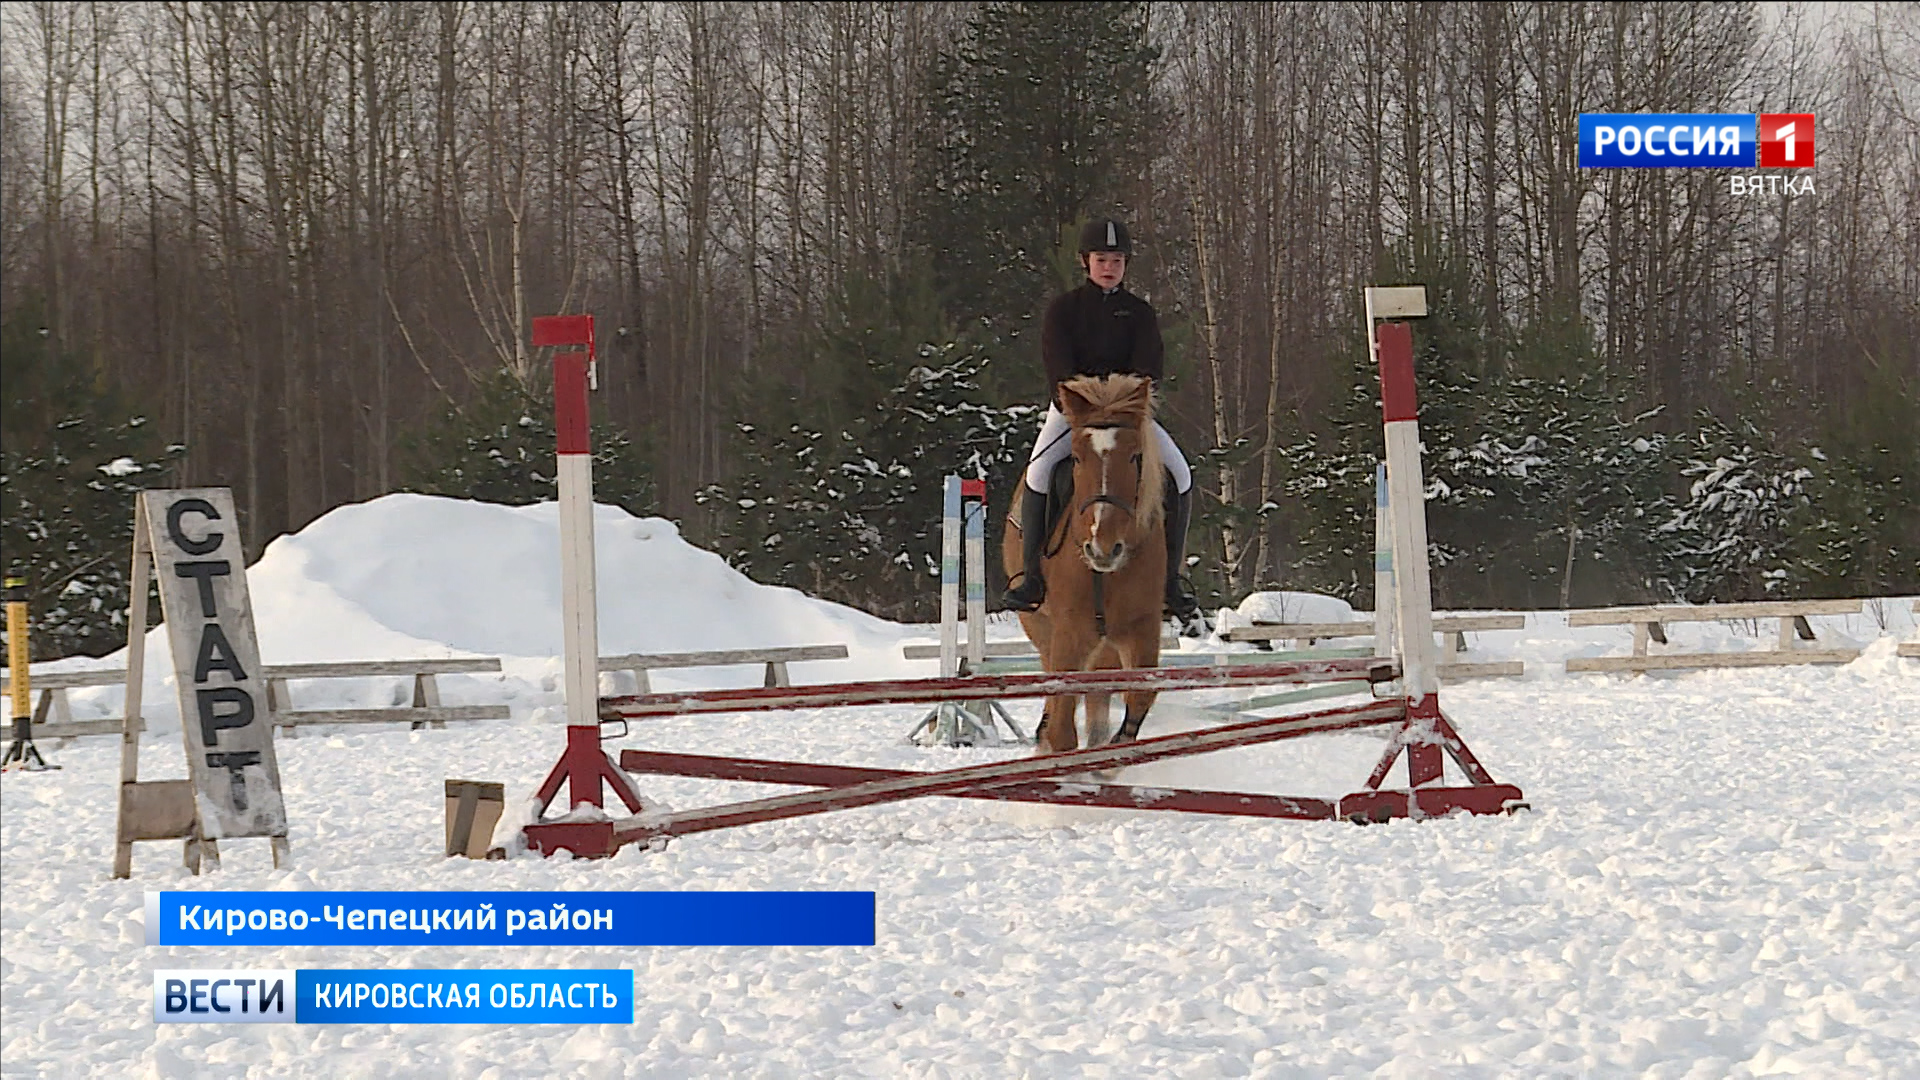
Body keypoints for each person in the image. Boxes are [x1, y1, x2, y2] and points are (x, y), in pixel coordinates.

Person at [1001, 217, 1200, 625]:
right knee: (1038, 474)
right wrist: (1084, 401)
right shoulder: (1064, 310)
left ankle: (1171, 581)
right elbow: (1058, 366)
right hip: (1074, 414)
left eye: (1117, 260)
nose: (1109, 267)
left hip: (1128, 419)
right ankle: (1032, 578)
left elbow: (1149, 369)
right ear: (1085, 262)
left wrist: (1125, 401)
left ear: (1125, 264)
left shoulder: (1140, 313)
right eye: (1101, 259)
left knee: (1180, 476)